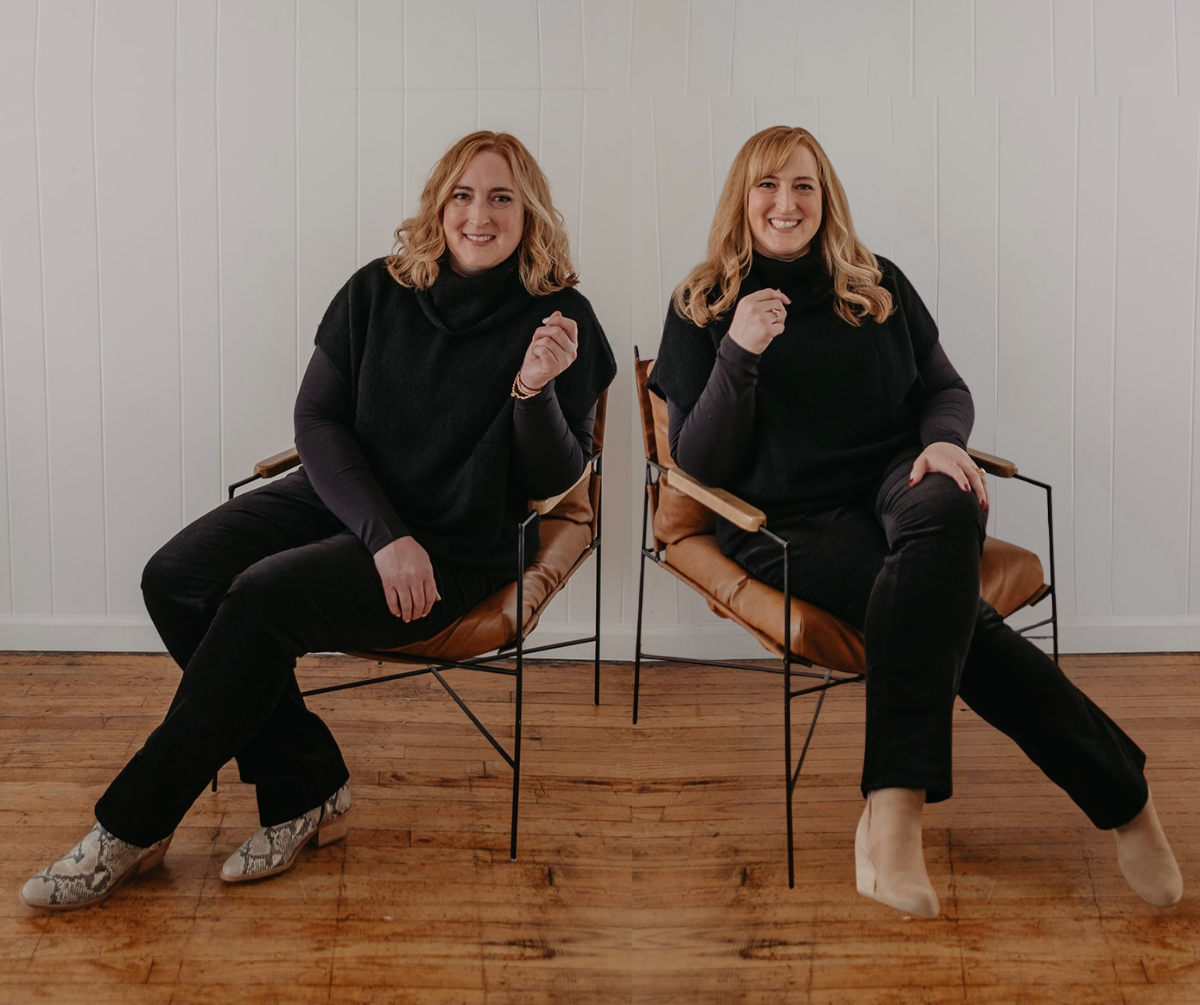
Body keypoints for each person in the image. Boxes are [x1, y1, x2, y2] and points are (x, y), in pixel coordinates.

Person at [22, 131, 616, 911]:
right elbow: (317, 419)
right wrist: (383, 535)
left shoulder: (562, 318)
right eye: (463, 196)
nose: (479, 216)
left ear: (529, 212)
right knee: (175, 579)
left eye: (501, 197)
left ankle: (130, 827)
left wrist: (533, 391)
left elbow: (552, 482)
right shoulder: (378, 289)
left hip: (456, 540)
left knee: (263, 599)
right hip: (351, 504)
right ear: (438, 206)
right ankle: (306, 783)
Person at [647, 125, 1182, 918]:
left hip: (899, 477)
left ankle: (892, 809)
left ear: (825, 198)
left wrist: (943, 442)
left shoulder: (875, 282)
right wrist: (740, 353)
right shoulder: (702, 304)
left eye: (803, 185)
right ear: (741, 198)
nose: (786, 203)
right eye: (768, 185)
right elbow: (701, 462)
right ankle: (1126, 802)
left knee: (950, 494)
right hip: (788, 518)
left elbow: (945, 389)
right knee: (960, 624)